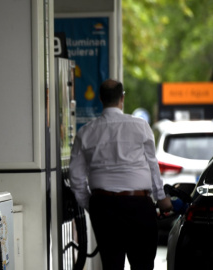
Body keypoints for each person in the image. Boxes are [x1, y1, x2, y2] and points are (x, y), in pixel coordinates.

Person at [69, 79, 173, 270]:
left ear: (100, 98)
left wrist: (93, 205)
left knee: (111, 264)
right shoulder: (141, 126)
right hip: (139, 205)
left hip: (103, 206)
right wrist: (161, 198)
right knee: (142, 265)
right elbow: (152, 165)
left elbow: (76, 179)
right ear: (122, 98)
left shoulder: (85, 132)